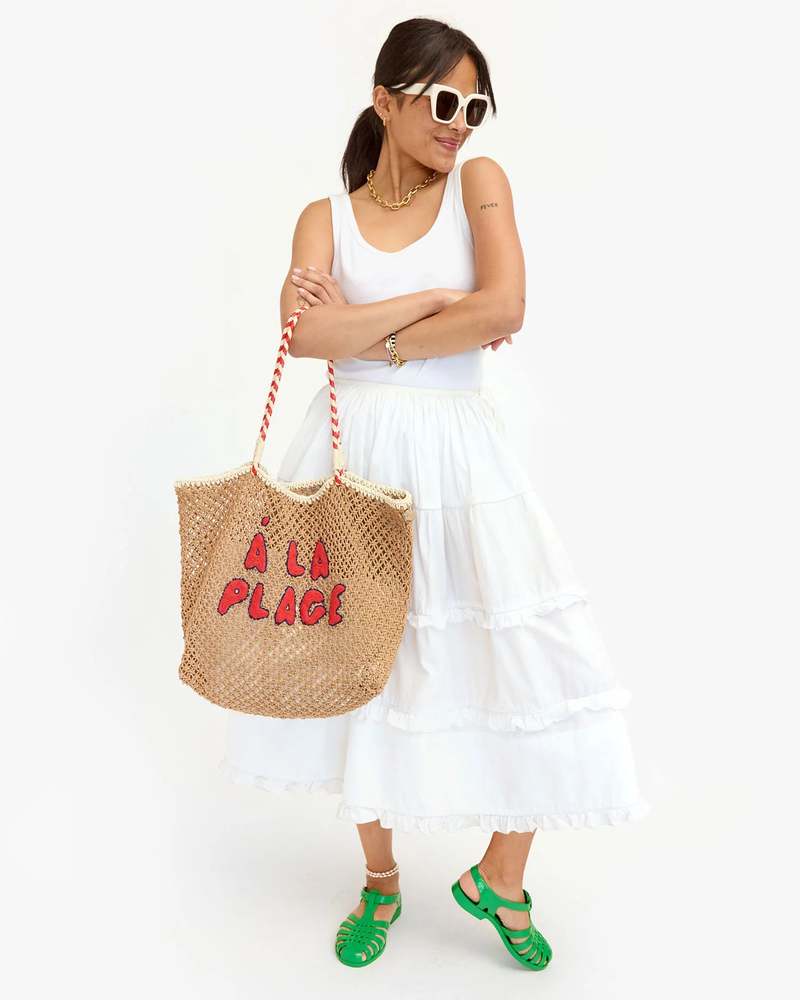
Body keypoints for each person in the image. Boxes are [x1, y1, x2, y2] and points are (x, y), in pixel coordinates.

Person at [220, 17, 650, 971]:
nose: (461, 121)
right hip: (352, 461)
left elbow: (506, 306)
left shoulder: (479, 184)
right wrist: (431, 307)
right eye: (443, 101)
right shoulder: (324, 217)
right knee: (360, 671)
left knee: (538, 664)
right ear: (385, 100)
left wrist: (372, 327)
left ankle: (500, 876)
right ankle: (380, 880)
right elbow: (305, 339)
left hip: (463, 464)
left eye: (474, 105)